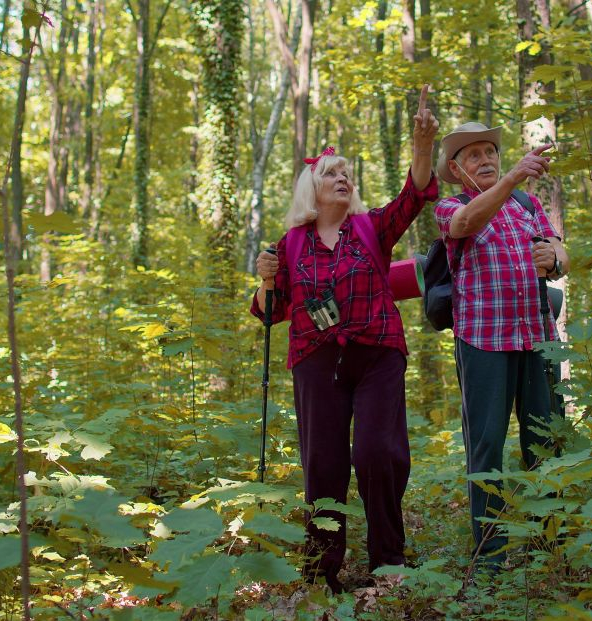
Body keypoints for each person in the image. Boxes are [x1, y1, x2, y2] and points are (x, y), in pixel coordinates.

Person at [251, 86, 439, 592]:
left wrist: (422, 149)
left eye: (346, 174)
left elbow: (412, 200)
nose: (343, 178)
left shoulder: (370, 228)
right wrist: (266, 277)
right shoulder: (289, 244)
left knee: (378, 452)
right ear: (310, 187)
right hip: (315, 360)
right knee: (324, 464)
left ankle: (388, 562)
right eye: (331, 173)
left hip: (377, 353)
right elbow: (270, 312)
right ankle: (320, 572)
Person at [432, 122, 569, 569]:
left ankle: (552, 546)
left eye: (490, 150)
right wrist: (513, 176)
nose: (486, 159)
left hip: (537, 337)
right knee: (487, 448)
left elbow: (560, 252)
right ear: (456, 168)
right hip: (483, 341)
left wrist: (554, 257)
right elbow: (465, 225)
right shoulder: (451, 205)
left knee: (545, 444)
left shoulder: (527, 203)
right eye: (473, 155)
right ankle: (490, 558)